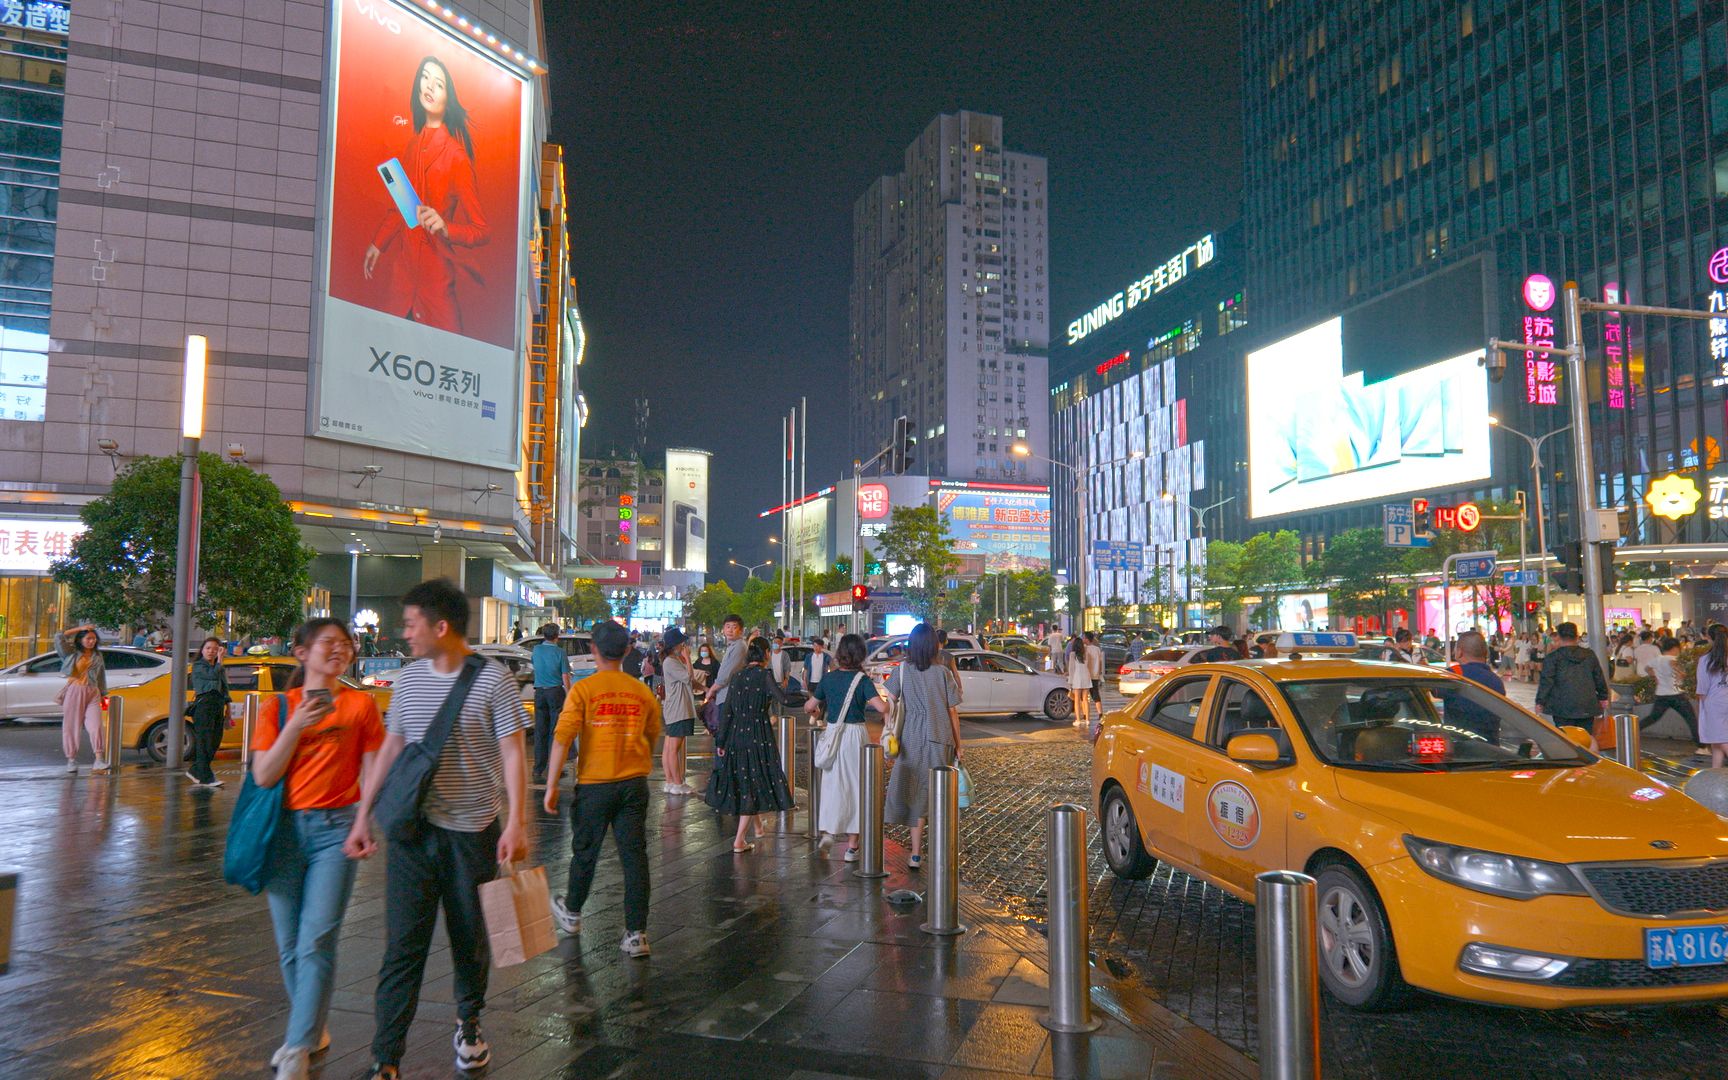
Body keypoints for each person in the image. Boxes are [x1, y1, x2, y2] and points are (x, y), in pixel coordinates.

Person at [346, 579, 529, 1080]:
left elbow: (514, 751)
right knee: (403, 947)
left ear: (440, 626)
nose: (404, 633)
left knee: (469, 938)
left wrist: (515, 820)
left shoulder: (494, 681)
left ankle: (468, 1022)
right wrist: (364, 815)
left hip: (472, 833)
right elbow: (392, 748)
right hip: (412, 831)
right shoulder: (407, 680)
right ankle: (386, 1059)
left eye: (411, 624)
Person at [252, 618, 386, 1080]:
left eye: (345, 644)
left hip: (337, 830)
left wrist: (365, 821)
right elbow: (264, 775)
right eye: (328, 643)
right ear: (300, 653)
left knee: (316, 940)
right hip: (283, 832)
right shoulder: (278, 708)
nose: (340, 650)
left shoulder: (361, 705)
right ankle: (311, 1028)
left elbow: (372, 772)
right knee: (289, 945)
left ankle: (296, 1046)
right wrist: (298, 727)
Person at [543, 620, 660, 957]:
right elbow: (652, 735)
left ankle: (573, 912)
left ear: (593, 650)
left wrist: (551, 785)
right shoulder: (641, 692)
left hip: (594, 786)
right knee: (634, 857)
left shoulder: (584, 690)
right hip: (634, 785)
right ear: (626, 651)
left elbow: (562, 738)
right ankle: (636, 934)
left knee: (585, 852)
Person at [363, 56, 491, 336]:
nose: (429, 87)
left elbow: (481, 230)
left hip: (435, 286)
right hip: (402, 282)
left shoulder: (456, 157)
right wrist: (377, 244)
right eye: (424, 77)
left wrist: (446, 227)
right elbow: (403, 207)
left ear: (449, 98)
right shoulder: (412, 147)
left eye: (439, 83)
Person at [881, 624, 961, 869]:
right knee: (937, 794)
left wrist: (889, 731)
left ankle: (915, 853)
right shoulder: (943, 673)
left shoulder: (903, 670)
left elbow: (889, 703)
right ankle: (941, 849)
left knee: (916, 795)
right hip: (940, 736)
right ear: (934, 644)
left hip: (910, 738)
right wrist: (959, 744)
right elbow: (952, 711)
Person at [703, 636, 794, 852]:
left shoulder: (737, 677)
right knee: (754, 779)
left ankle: (759, 828)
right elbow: (784, 700)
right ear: (765, 654)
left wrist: (721, 740)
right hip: (758, 733)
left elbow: (727, 712)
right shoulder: (765, 675)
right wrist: (810, 700)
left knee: (747, 777)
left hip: (736, 734)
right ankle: (739, 840)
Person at [803, 633, 884, 862]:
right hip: (855, 736)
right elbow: (881, 708)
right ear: (860, 654)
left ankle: (829, 832)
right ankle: (852, 847)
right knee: (856, 787)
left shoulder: (829, 679)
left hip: (833, 734)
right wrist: (890, 702)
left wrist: (816, 711)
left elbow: (810, 706)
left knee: (833, 785)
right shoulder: (862, 680)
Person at [1535, 622, 1609, 742]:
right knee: (1586, 739)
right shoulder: (1589, 655)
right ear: (1577, 635)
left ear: (1559, 636)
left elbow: (1546, 681)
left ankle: (1571, 760)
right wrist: (1603, 697)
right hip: (1587, 704)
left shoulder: (1553, 658)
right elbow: (1598, 677)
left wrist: (1540, 702)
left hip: (1561, 706)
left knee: (1566, 740)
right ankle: (1587, 760)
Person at [57, 624, 107, 774]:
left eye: (93, 638)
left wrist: (104, 694)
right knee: (72, 726)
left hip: (93, 691)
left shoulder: (97, 656)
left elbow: (101, 676)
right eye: (88, 638)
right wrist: (79, 629)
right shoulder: (71, 653)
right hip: (75, 690)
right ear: (81, 639)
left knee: (96, 725)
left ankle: (99, 759)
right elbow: (59, 637)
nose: (91, 641)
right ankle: (71, 760)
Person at [657, 627, 698, 794]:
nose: (684, 645)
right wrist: (688, 658)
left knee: (669, 747)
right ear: (676, 644)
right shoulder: (671, 662)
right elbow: (689, 677)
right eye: (682, 643)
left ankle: (670, 781)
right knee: (673, 748)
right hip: (678, 709)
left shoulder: (671, 661)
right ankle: (677, 783)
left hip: (674, 708)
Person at [528, 623, 570, 786]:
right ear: (556, 636)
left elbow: (535, 666)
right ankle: (554, 768)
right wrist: (570, 695)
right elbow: (565, 677)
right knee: (555, 732)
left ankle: (538, 769)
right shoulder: (560, 652)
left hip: (539, 693)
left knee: (540, 731)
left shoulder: (536, 650)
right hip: (555, 693)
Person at [1642, 637, 1701, 750]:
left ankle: (1633, 730)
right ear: (1674, 648)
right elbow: (1675, 667)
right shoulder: (1674, 659)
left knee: (1652, 718)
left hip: (1661, 695)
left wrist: (1654, 676)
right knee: (1691, 719)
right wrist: (1681, 674)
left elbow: (1647, 668)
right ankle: (1701, 745)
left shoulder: (1657, 659)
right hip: (1676, 695)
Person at [187, 637, 231, 787]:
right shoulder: (198, 666)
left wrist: (228, 711)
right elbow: (212, 675)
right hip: (204, 706)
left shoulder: (219, 667)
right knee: (204, 741)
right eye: (208, 648)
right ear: (202, 650)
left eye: (215, 649)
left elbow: (225, 689)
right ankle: (205, 777)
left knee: (215, 741)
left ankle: (196, 770)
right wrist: (220, 659)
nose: (211, 651)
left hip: (218, 706)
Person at [1445, 631, 1505, 741]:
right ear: (1486, 652)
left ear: (1459, 653)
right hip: (1491, 746)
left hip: (1460, 745)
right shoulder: (1496, 680)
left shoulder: (1455, 673)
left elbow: (1431, 689)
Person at [702, 614, 748, 710]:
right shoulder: (732, 646)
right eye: (728, 626)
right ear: (723, 628)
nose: (730, 630)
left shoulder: (739, 647)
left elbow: (725, 675)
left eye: (734, 627)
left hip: (730, 697)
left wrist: (711, 690)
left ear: (741, 630)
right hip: (725, 696)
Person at [1697, 626, 1728, 769]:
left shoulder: (1706, 659)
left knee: (1721, 739)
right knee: (1717, 739)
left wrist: (1702, 701)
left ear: (1708, 638)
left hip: (1714, 702)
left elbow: (1703, 687)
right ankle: (1715, 773)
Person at [1065, 634, 1092, 725]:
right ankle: (1087, 720)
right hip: (1086, 676)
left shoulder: (1072, 654)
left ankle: (1078, 720)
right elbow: (1088, 666)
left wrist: (1070, 682)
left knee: (1077, 699)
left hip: (1077, 677)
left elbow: (1071, 669)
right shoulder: (1086, 653)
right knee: (1085, 699)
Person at [1084, 631, 1105, 725]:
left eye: (1084, 638)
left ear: (1087, 639)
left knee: (1085, 696)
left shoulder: (1085, 649)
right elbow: (1100, 662)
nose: (1083, 639)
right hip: (1095, 675)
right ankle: (1100, 713)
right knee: (1096, 695)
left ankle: (1085, 714)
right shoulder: (1097, 649)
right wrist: (1099, 672)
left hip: (1087, 675)